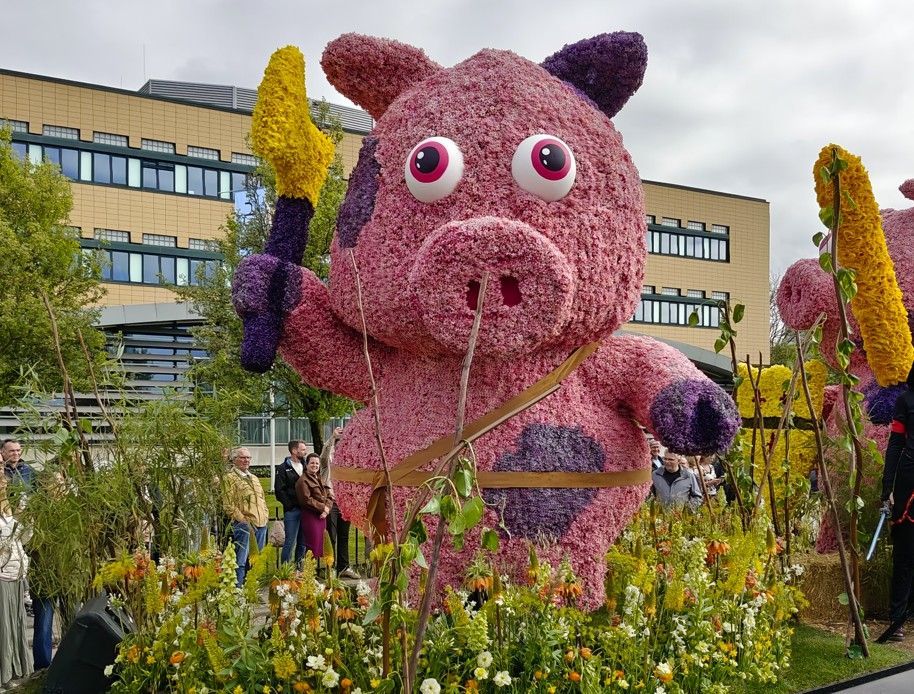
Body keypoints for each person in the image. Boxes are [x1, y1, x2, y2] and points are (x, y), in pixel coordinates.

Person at [877, 363, 914, 643]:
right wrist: (887, 487)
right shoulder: (906, 400)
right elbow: (895, 444)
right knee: (905, 553)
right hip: (909, 484)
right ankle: (897, 618)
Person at [0, 474, 33, 685]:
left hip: (16, 575)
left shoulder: (9, 512)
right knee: (5, 627)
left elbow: (23, 541)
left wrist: (28, 523)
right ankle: (5, 674)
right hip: (2, 576)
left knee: (16, 625)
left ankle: (16, 670)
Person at [222, 448, 269, 587]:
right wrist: (243, 520)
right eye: (243, 458)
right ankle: (238, 589)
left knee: (255, 559)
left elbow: (262, 499)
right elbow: (229, 504)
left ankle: (252, 588)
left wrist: (265, 515)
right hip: (244, 524)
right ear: (234, 459)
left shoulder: (253, 477)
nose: (246, 460)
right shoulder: (230, 478)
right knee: (241, 559)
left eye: (248, 458)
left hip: (261, 524)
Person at [321, 428, 360, 579]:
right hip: (331, 502)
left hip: (345, 503)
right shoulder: (327, 463)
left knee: (344, 536)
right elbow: (324, 456)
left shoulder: (348, 463)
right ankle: (330, 567)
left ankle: (344, 567)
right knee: (331, 535)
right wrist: (332, 438)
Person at [295, 452, 334, 565]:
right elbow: (306, 500)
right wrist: (323, 508)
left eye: (317, 463)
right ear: (306, 464)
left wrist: (326, 509)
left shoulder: (319, 478)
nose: (315, 465)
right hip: (311, 516)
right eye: (312, 463)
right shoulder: (303, 481)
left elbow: (329, 495)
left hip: (321, 516)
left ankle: (313, 572)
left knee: (320, 545)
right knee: (312, 545)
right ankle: (308, 573)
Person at [275, 440, 307, 566]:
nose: (305, 452)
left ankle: (299, 568)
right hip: (292, 511)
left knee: (303, 541)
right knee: (290, 541)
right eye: (303, 449)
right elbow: (279, 490)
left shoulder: (306, 466)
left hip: (306, 509)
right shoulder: (283, 468)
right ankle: (285, 571)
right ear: (294, 451)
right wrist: (289, 506)